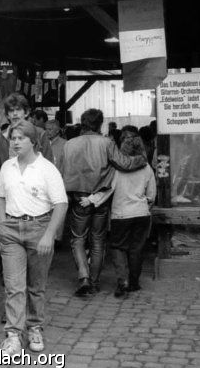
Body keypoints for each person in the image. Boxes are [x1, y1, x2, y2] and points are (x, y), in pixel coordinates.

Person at [0, 120, 68, 355]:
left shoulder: (47, 168)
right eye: (13, 138)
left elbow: (61, 204)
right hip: (12, 231)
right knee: (14, 286)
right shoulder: (8, 166)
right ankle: (13, 335)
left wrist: (49, 235)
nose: (15, 142)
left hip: (39, 228)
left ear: (33, 141)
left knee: (36, 286)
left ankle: (35, 327)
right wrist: (3, 222)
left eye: (20, 138)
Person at [59, 109, 147, 296]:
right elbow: (124, 164)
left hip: (77, 197)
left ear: (82, 123)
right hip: (101, 198)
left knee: (77, 239)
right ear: (100, 124)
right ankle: (95, 281)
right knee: (98, 239)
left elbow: (60, 172)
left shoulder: (69, 144)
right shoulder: (107, 143)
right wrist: (142, 158)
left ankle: (83, 277)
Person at [109, 134, 156, 297]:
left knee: (118, 247)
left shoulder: (115, 168)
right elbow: (151, 195)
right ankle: (134, 282)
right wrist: (144, 203)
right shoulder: (147, 167)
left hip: (120, 214)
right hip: (142, 213)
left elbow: (109, 189)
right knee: (136, 249)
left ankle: (123, 281)